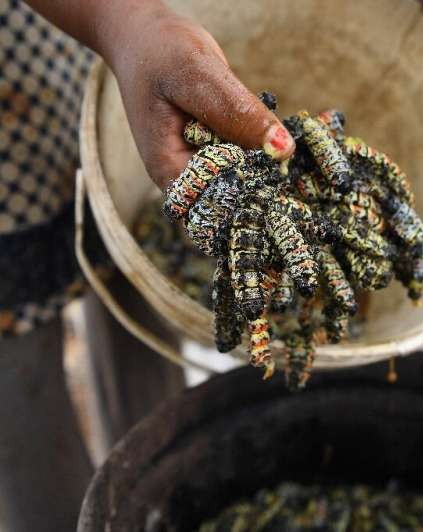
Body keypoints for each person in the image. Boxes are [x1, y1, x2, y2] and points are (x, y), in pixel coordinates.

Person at [0, 1, 295, 530]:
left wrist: (131, 27)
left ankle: (161, 501)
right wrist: (133, 26)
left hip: (80, 51)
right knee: (20, 390)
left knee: (128, 274)